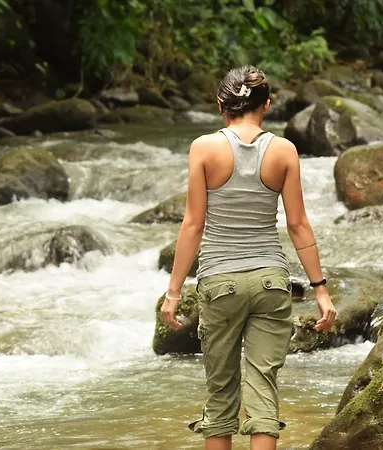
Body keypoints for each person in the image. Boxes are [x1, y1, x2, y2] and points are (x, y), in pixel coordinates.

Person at [160, 65, 337, 450]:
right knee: (263, 394)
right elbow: (298, 224)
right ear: (266, 105)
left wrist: (173, 292)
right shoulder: (284, 151)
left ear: (221, 106)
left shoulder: (204, 148)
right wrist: (320, 290)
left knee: (220, 399)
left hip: (219, 282)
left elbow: (193, 224)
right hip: (270, 282)